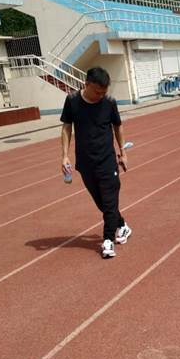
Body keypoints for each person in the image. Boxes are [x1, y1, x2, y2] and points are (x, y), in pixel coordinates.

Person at [60, 67, 132, 259]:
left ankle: (108, 240)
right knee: (103, 203)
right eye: (98, 92)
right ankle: (122, 225)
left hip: (107, 161)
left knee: (109, 201)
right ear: (87, 84)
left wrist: (122, 152)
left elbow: (118, 126)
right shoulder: (72, 101)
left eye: (104, 92)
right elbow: (67, 127)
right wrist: (64, 156)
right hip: (85, 163)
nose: (101, 96)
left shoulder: (109, 102)